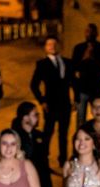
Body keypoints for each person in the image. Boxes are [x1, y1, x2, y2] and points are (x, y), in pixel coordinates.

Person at [30, 35, 73, 168]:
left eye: (54, 44)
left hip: (65, 103)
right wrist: (42, 101)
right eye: (49, 45)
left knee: (64, 134)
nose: (52, 47)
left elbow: (73, 82)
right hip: (50, 105)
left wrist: (76, 99)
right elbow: (34, 85)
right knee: (48, 132)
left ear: (59, 46)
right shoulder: (42, 64)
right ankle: (44, 158)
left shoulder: (67, 62)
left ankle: (63, 160)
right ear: (45, 48)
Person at [11, 101, 52, 187]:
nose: (38, 117)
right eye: (35, 114)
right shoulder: (14, 137)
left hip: (38, 184)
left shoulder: (39, 136)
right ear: (25, 117)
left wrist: (48, 184)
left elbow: (45, 162)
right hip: (21, 185)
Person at [71, 24, 100, 128]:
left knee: (99, 117)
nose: (89, 34)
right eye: (87, 31)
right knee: (80, 120)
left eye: (92, 31)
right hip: (82, 89)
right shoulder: (78, 48)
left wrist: (94, 58)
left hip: (97, 89)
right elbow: (73, 69)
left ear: (97, 34)